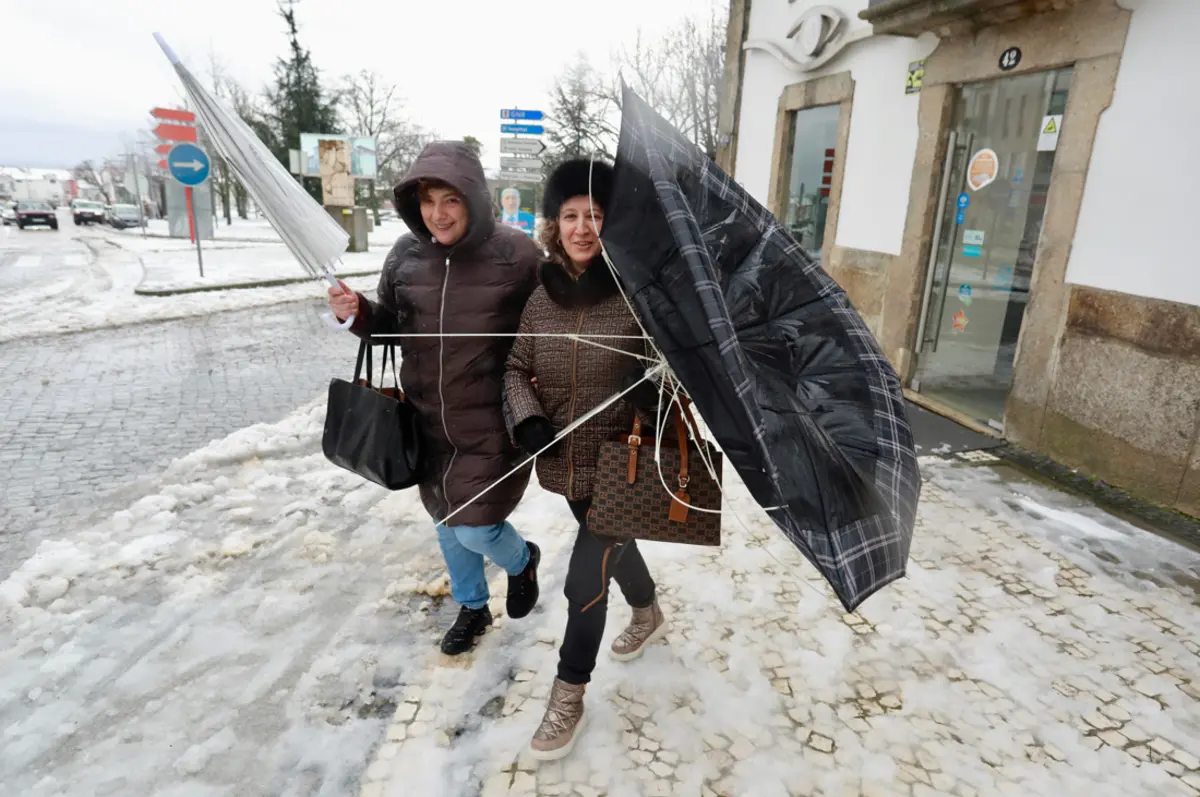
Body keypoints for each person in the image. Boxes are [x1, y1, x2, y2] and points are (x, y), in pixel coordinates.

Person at [328, 141, 543, 656]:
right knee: (447, 523)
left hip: (493, 421)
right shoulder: (405, 254)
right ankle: (472, 606)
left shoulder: (517, 254)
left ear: (473, 198)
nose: (437, 214)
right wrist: (356, 311)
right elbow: (388, 328)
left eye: (450, 200)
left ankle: (522, 559)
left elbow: (547, 329)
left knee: (478, 528)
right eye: (427, 201)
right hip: (425, 419)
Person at [503, 158, 667, 760]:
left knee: (583, 580)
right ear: (554, 225)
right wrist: (528, 418)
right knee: (609, 557)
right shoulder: (541, 299)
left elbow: (670, 373)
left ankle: (568, 692)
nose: (581, 227)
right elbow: (517, 367)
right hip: (564, 464)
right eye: (570, 215)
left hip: (623, 463)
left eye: (594, 215)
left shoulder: (636, 295)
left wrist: (655, 388)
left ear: (610, 223)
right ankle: (648, 612)